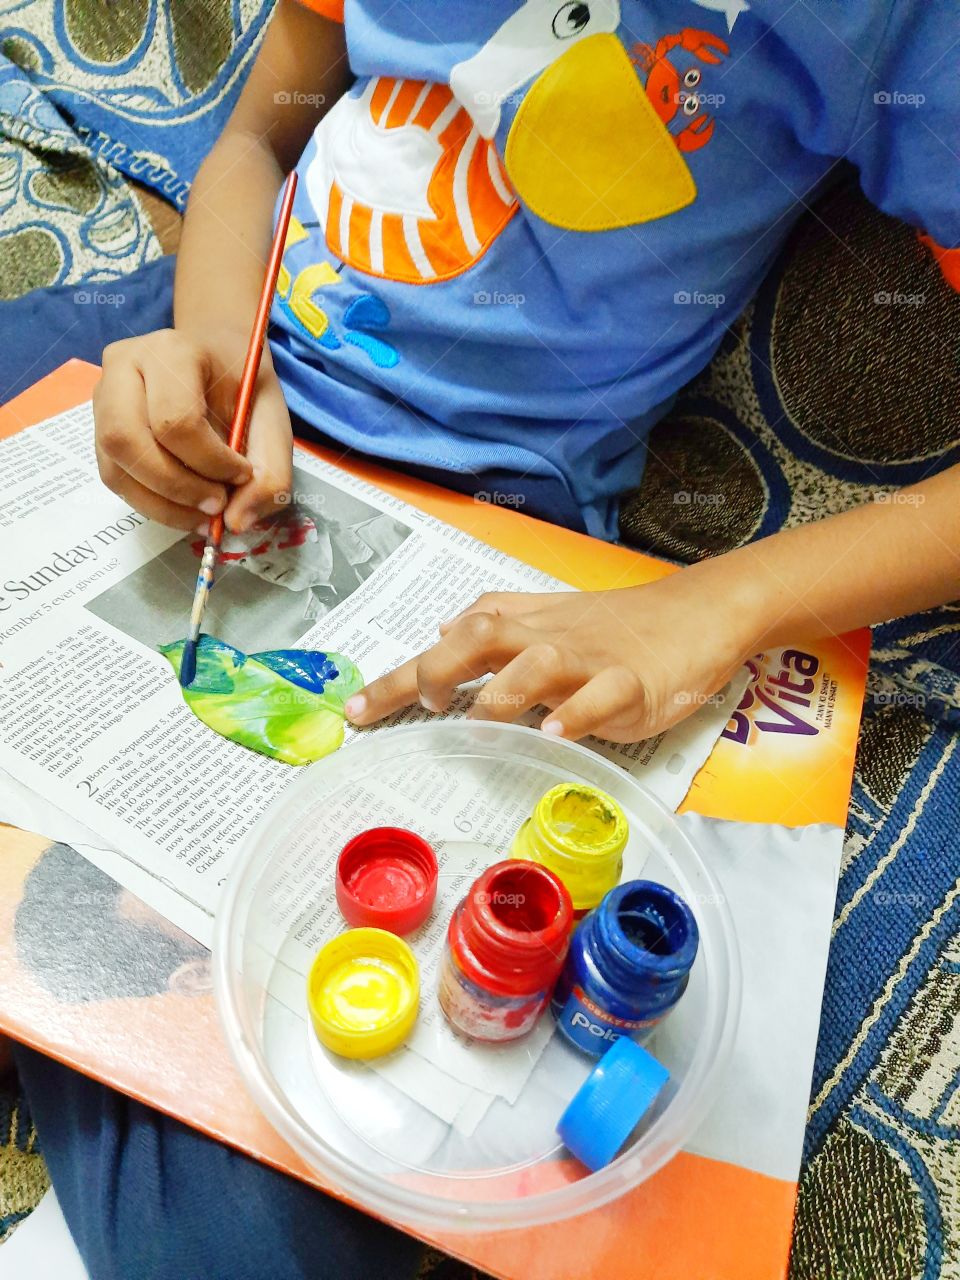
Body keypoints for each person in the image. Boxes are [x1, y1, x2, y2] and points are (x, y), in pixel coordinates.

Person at [88, 0, 959, 747]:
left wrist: (719, 606)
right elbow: (252, 139)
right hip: (200, 326)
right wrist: (220, 345)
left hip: (480, 486)